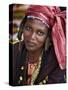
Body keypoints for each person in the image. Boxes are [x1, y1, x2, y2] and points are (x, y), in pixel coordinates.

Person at [13, 5, 66, 86]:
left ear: (48, 37)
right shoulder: (12, 51)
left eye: (40, 33)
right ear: (22, 28)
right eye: (28, 28)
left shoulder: (57, 63)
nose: (32, 37)